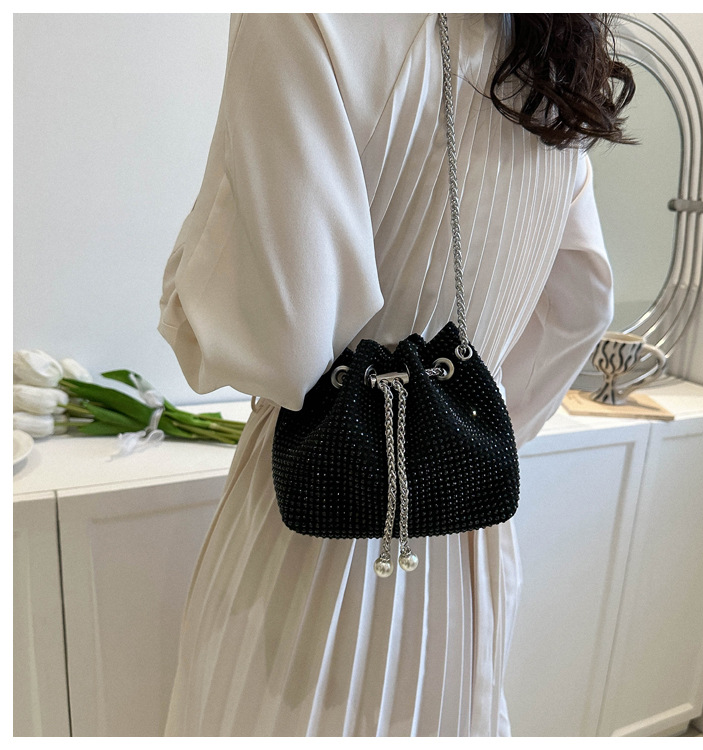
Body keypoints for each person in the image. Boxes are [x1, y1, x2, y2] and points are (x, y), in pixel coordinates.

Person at [158, 13, 634, 737]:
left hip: (308, 532)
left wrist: (184, 301)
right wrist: (463, 423)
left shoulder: (304, 19)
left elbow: (282, 342)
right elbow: (582, 305)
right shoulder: (548, 55)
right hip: (463, 544)